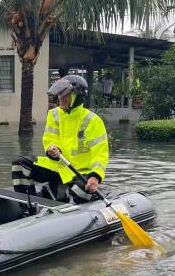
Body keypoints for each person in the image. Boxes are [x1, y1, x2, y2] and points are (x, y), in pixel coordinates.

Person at [11, 75, 109, 203]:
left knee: (81, 191)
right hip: (58, 166)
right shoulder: (54, 114)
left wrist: (95, 176)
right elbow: (50, 138)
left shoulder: (93, 121)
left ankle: (78, 205)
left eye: (65, 95)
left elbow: (100, 154)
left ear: (76, 97)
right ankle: (27, 207)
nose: (60, 98)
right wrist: (52, 148)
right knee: (19, 164)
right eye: (59, 95)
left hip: (80, 172)